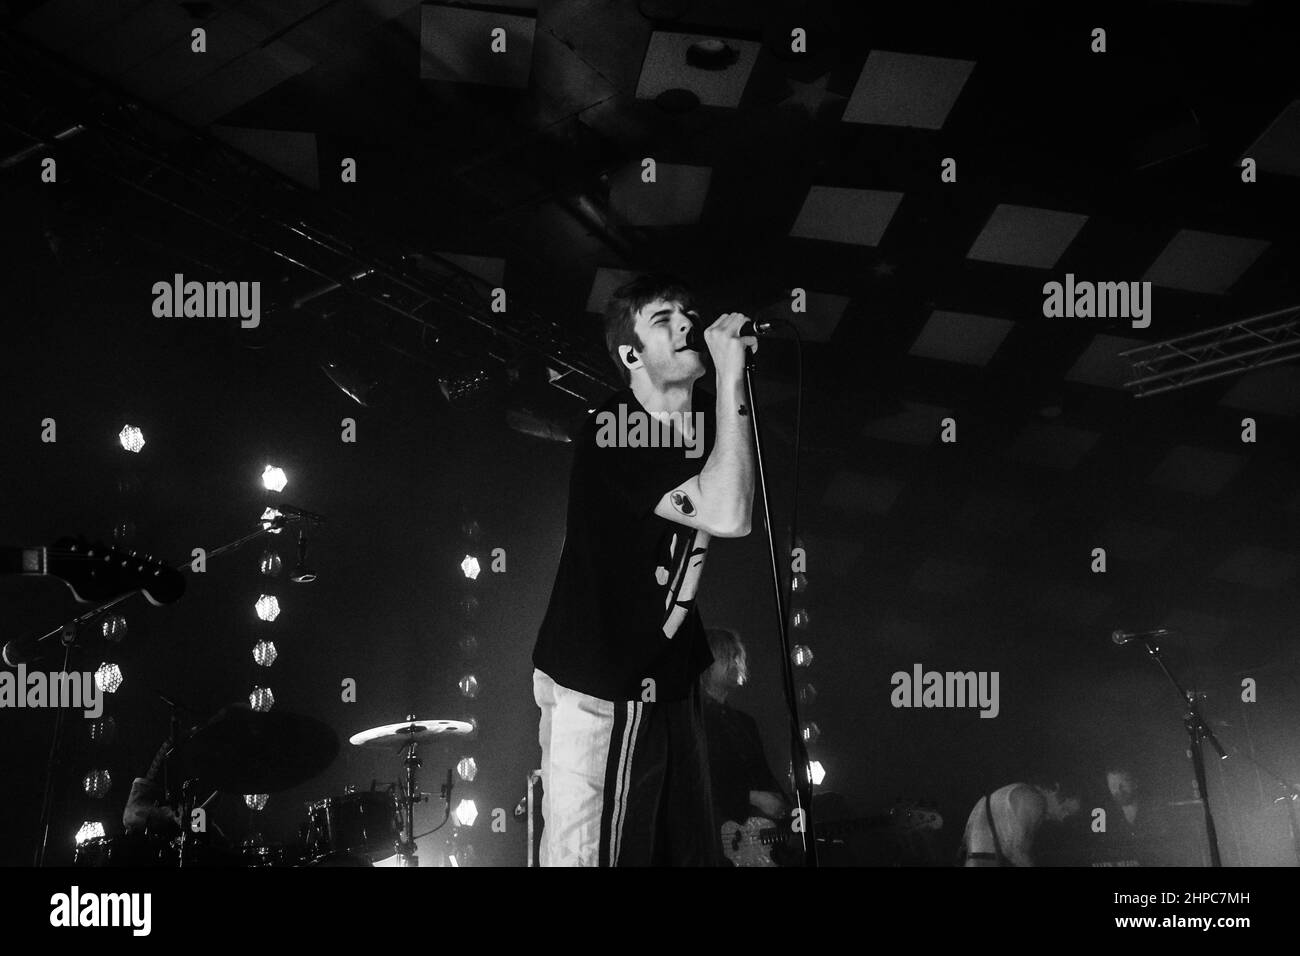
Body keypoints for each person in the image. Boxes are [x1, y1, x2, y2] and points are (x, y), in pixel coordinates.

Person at [532, 274, 757, 866]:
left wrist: (729, 387)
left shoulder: (706, 418)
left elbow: (737, 503)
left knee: (669, 849)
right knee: (588, 855)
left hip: (663, 670)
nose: (686, 323)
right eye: (664, 320)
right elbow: (729, 513)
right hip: (602, 672)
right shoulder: (616, 429)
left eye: (688, 312)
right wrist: (732, 373)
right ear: (630, 354)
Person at [699, 627, 790, 865]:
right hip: (714, 842)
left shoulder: (744, 722)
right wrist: (753, 797)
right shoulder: (690, 722)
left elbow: (762, 773)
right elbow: (694, 782)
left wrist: (783, 803)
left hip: (756, 839)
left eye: (738, 656)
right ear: (706, 664)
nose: (737, 662)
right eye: (728, 656)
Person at [957, 781, 1081, 866]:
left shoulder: (1004, 794)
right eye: (1065, 810)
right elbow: (1016, 851)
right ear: (1055, 791)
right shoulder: (1035, 800)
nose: (1062, 818)